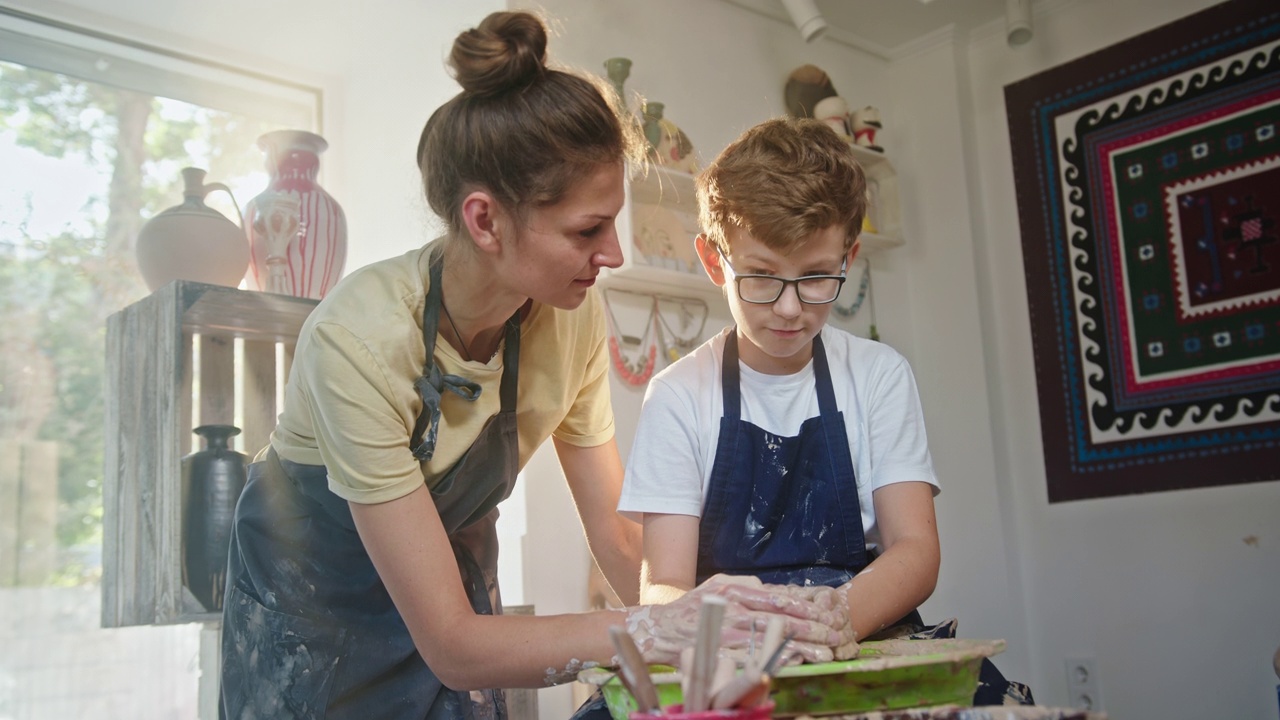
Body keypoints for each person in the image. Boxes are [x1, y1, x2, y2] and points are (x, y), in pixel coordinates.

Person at [219, 12, 852, 720]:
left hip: (454, 607)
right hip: (313, 625)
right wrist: (652, 631)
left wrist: (716, 637)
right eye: (588, 229)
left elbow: (616, 536)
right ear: (486, 221)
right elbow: (454, 645)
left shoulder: (572, 319)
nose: (613, 254)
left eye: (611, 222)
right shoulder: (357, 340)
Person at [619, 116, 1032, 704]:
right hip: (733, 648)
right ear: (715, 263)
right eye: (761, 277)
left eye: (815, 277)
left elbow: (914, 552)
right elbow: (663, 584)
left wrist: (834, 617)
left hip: (860, 628)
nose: (790, 308)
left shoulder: (877, 374)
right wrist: (725, 634)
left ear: (849, 254)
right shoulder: (679, 394)